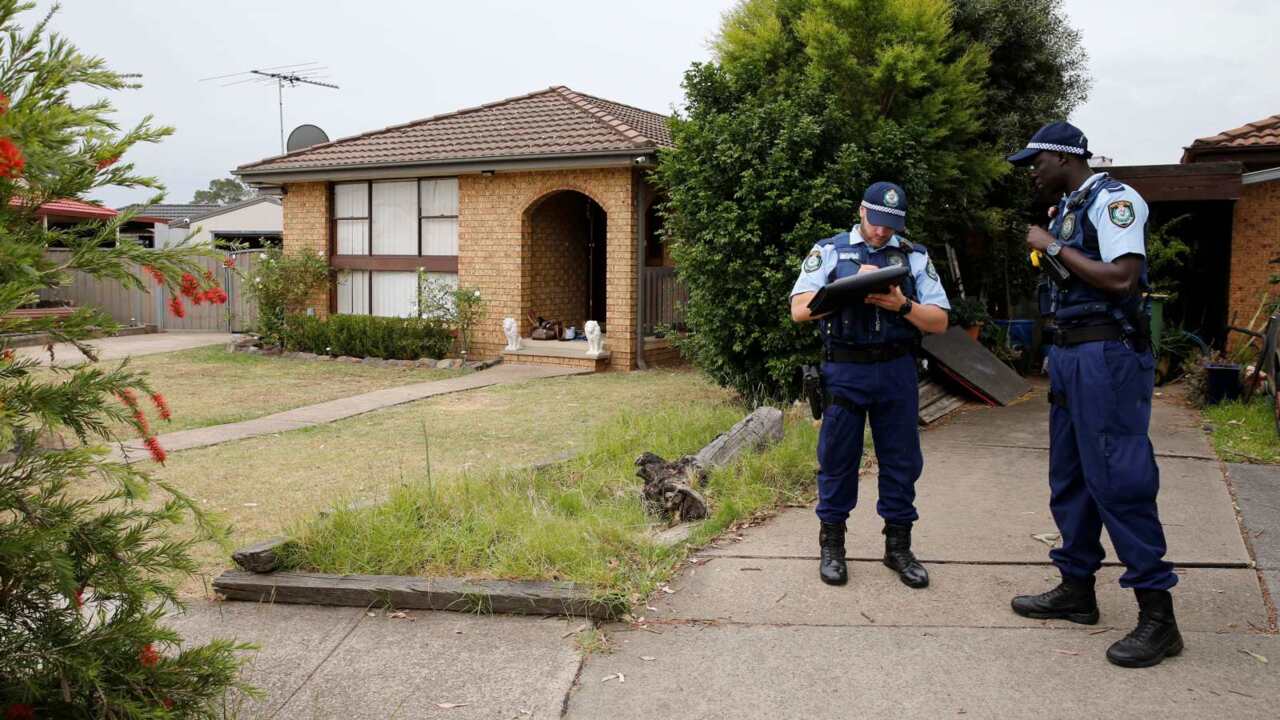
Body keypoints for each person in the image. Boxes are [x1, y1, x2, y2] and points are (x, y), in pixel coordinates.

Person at [1007, 121, 1182, 668]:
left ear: (1065, 157)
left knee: (1118, 476)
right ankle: (1076, 589)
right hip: (1070, 356)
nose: (1031, 172)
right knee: (1071, 477)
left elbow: (1122, 279)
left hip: (1107, 356)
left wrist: (1051, 244)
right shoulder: (1067, 208)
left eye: (1036, 161)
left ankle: (1158, 617)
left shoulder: (1115, 200)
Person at [789, 182, 950, 588]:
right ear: (862, 211)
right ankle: (832, 547)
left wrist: (904, 306)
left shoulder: (914, 255)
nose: (882, 232)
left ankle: (898, 547)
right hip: (845, 370)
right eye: (876, 222)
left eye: (890, 225)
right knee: (838, 459)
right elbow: (798, 310)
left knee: (901, 461)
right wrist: (848, 289)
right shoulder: (828, 250)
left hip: (896, 370)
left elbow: (940, 321)